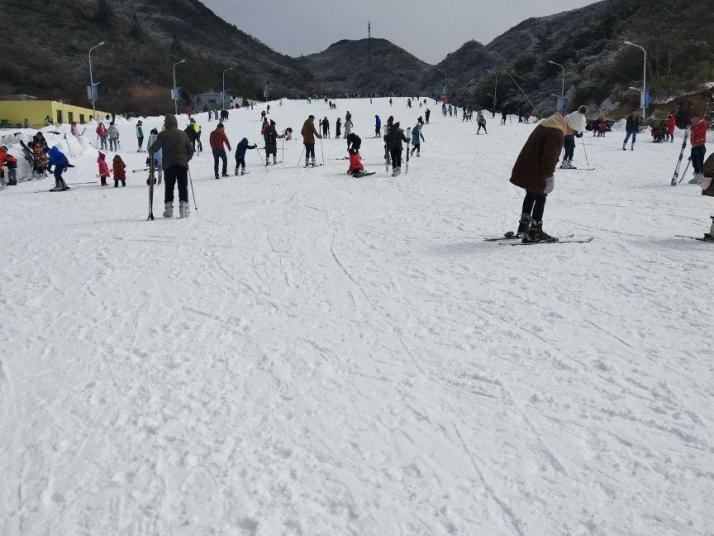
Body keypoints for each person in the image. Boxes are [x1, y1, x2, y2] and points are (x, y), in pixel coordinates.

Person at [509, 112, 568, 242]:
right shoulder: (556, 132)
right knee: (541, 195)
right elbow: (550, 157)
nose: (572, 134)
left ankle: (523, 226)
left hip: (529, 167)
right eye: (574, 131)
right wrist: (549, 177)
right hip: (537, 170)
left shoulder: (548, 124)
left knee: (530, 194)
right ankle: (535, 231)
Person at [149, 114, 195, 219]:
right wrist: (186, 158)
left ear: (166, 123)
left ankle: (169, 210)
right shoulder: (183, 134)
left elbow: (153, 149)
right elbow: (191, 150)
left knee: (169, 187)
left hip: (169, 166)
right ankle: (183, 210)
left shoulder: (162, 135)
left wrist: (150, 151)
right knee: (183, 186)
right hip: (182, 165)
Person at [688, 114, 708, 185]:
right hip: (694, 146)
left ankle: (701, 178)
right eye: (692, 119)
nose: (692, 121)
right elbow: (693, 137)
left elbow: (700, 133)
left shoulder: (703, 124)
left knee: (699, 162)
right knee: (694, 163)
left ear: (698, 119)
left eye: (694, 119)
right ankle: (696, 178)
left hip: (700, 146)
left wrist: (694, 127)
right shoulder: (694, 126)